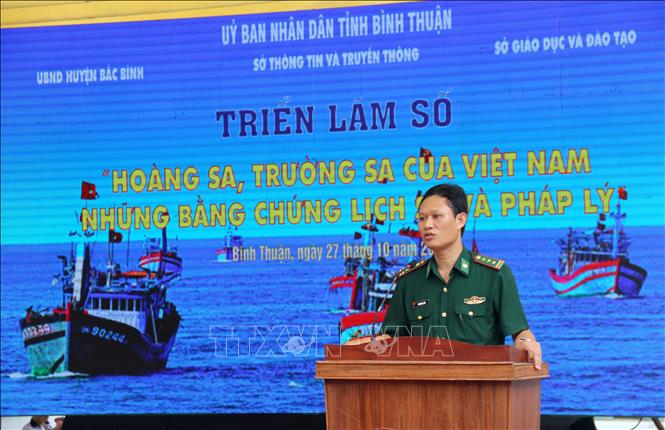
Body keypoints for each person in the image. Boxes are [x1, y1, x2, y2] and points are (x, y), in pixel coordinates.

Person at [381, 183, 542, 369]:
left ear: (460, 220)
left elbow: (520, 332)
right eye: (422, 218)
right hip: (423, 383)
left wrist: (527, 343)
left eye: (436, 216)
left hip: (481, 383)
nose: (427, 225)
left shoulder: (494, 275)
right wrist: (364, 345)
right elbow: (391, 338)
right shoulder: (409, 281)